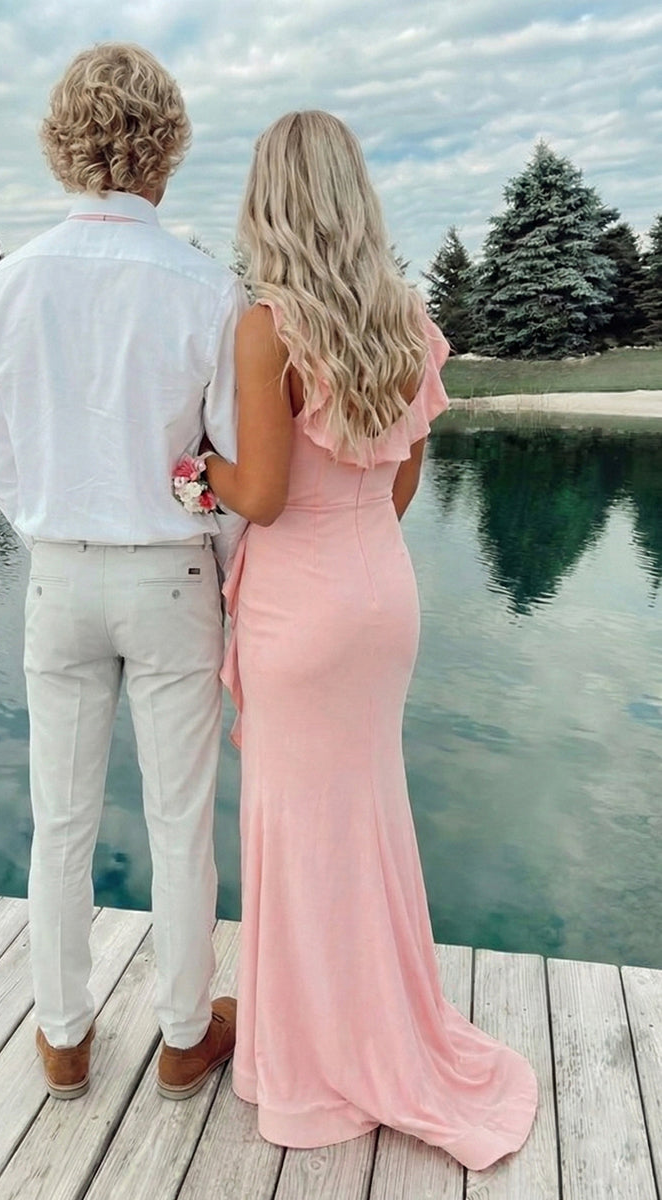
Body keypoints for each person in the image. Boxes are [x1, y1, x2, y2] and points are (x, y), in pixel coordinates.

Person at [199, 111, 538, 1169]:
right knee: (366, 819)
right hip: (381, 593)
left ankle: (315, 1061)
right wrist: (350, 551)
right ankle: (378, 1024)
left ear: (270, 201)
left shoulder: (269, 327)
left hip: (300, 606)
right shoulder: (407, 319)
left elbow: (259, 494)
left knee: (299, 833)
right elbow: (401, 478)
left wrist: (196, 467)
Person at [0, 43, 246, 1102]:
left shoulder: (9, 285)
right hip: (172, 575)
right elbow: (225, 467)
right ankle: (182, 1034)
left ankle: (63, 1035)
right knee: (181, 822)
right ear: (166, 145)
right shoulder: (206, 285)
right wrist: (226, 575)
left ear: (62, 142)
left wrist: (55, 533)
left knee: (60, 819)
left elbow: (1, 462)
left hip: (59, 575)